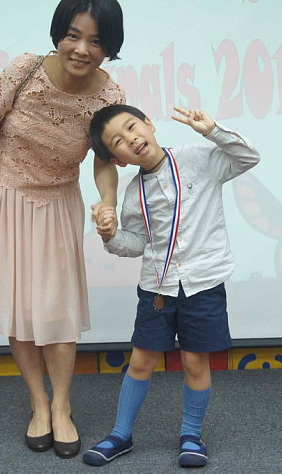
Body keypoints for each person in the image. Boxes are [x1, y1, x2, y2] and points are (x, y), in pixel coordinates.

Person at [0, 0, 126, 459]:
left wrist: (108, 201)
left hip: (57, 204)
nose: (81, 49)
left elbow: (104, 160)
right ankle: (38, 403)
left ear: (110, 46)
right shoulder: (24, 70)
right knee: (19, 307)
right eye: (73, 36)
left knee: (58, 312)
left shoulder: (110, 95)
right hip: (6, 198)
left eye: (95, 41)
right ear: (58, 34)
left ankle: (62, 406)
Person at [83, 104, 260, 468]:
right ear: (117, 160)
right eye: (118, 141)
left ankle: (191, 435)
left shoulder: (198, 157)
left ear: (148, 124)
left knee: (195, 362)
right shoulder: (133, 194)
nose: (131, 139)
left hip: (203, 285)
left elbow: (248, 157)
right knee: (141, 361)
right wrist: (111, 234)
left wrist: (212, 130)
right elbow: (136, 244)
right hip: (157, 289)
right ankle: (121, 434)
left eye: (132, 127)